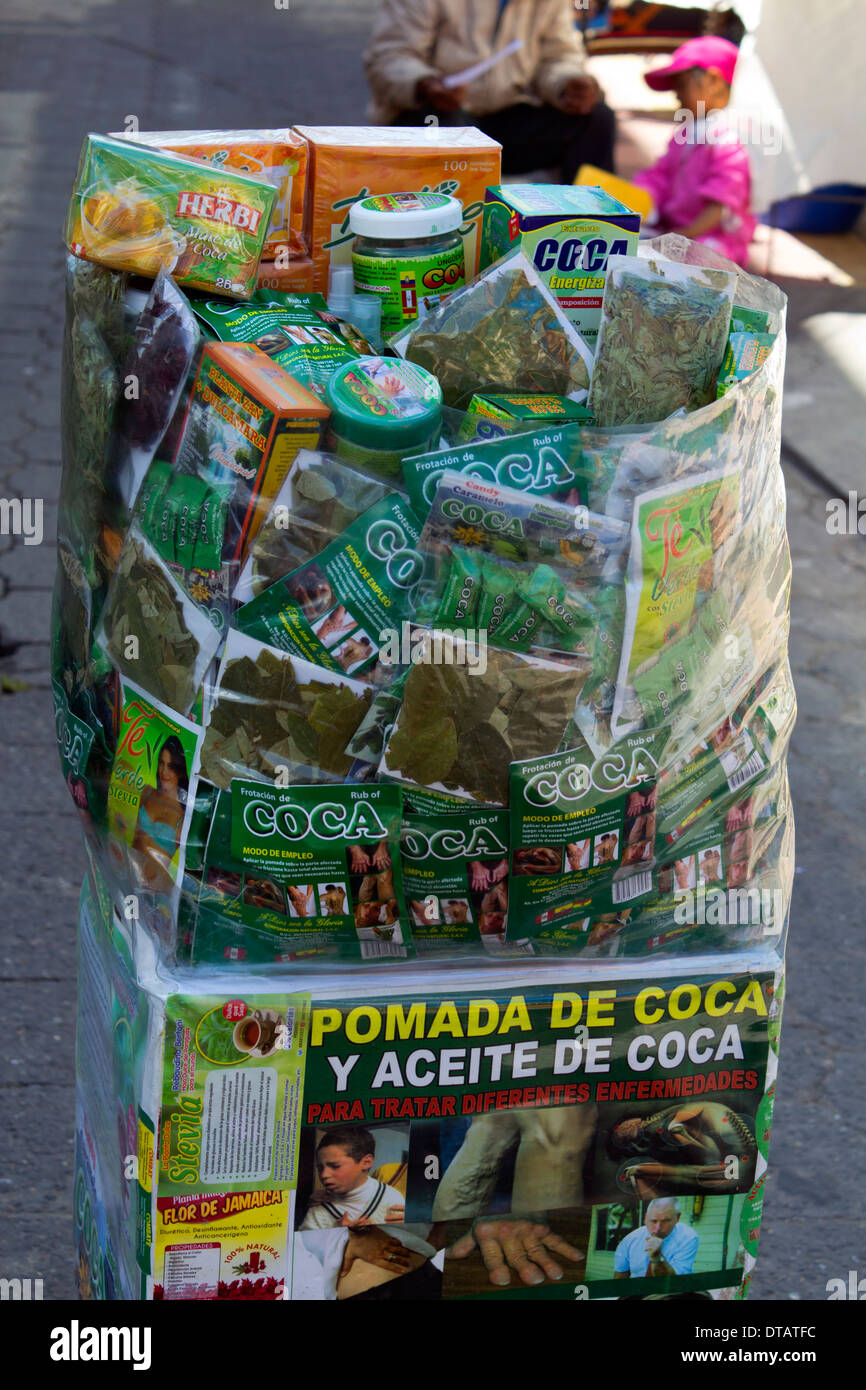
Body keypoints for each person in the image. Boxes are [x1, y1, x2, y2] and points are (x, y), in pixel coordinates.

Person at [364, 0, 616, 182]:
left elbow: (558, 56)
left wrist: (566, 83)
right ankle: (445, 238)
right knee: (450, 131)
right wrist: (425, 83)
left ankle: (588, 228)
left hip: (506, 113)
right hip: (434, 113)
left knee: (596, 118)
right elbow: (390, 56)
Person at [633, 36, 755, 267]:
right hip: (675, 227)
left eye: (682, 84)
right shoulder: (688, 131)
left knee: (703, 261)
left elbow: (721, 204)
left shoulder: (731, 138)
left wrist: (685, 234)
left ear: (713, 80)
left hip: (714, 236)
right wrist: (644, 194)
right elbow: (662, 173)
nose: (676, 93)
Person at [300, 1126, 406, 1229]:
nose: (323, 1175)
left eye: (335, 1166)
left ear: (366, 1162)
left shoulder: (391, 1199)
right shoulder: (319, 1204)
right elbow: (305, 1244)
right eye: (320, 1168)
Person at [132, 735, 187, 890]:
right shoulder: (147, 791)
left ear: (180, 771)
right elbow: (133, 840)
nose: (164, 771)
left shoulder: (185, 817)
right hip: (130, 877)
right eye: (161, 763)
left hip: (157, 890)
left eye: (170, 766)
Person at [613, 1198, 699, 1278]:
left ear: (678, 1218)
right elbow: (620, 1276)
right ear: (646, 1218)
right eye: (653, 1221)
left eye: (666, 1221)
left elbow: (675, 1283)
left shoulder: (688, 1237)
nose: (658, 1228)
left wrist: (657, 1258)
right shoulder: (630, 1240)